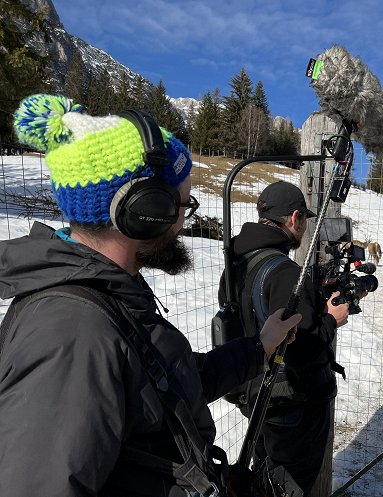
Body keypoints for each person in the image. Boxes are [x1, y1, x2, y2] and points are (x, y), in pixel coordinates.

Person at [0, 94, 301, 497]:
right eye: (182, 206)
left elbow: (175, 385)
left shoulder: (113, 295)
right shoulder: (73, 334)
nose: (182, 220)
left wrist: (261, 346)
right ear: (145, 211)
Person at [219, 180, 350, 496]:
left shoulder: (235, 263)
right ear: (294, 218)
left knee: (265, 476)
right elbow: (302, 348)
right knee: (287, 486)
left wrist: (314, 301)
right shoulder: (286, 272)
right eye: (304, 218)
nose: (304, 225)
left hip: (254, 392)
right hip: (292, 402)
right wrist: (332, 320)